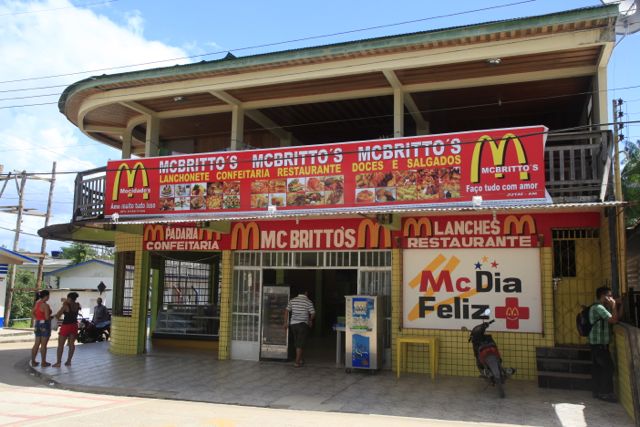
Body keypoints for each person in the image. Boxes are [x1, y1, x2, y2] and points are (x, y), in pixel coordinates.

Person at [588, 286, 623, 402]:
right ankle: (605, 393)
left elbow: (617, 317)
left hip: (598, 344)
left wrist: (619, 305)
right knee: (608, 368)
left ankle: (597, 392)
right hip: (599, 345)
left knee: (599, 368)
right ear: (603, 296)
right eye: (609, 296)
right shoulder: (598, 308)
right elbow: (614, 320)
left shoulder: (602, 307)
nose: (611, 298)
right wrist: (614, 305)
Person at [284, 290, 315, 368]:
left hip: (293, 325)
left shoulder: (292, 300)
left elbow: (286, 311)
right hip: (303, 325)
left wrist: (285, 322)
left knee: (297, 342)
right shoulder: (308, 301)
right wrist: (310, 320)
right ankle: (297, 362)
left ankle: (300, 359)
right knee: (300, 344)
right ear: (306, 293)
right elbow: (313, 313)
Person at [53, 292, 81, 367]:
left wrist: (52, 317)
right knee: (71, 344)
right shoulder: (77, 305)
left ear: (69, 298)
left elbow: (58, 315)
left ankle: (58, 363)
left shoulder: (66, 305)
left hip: (66, 326)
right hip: (74, 325)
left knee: (60, 345)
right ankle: (69, 361)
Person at [31, 290, 52, 367]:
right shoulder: (45, 305)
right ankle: (43, 362)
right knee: (43, 345)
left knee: (36, 344)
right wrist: (51, 317)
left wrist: (37, 319)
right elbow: (46, 317)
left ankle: (33, 361)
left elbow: (32, 312)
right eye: (48, 296)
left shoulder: (37, 303)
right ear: (46, 296)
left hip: (37, 324)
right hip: (45, 325)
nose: (49, 297)